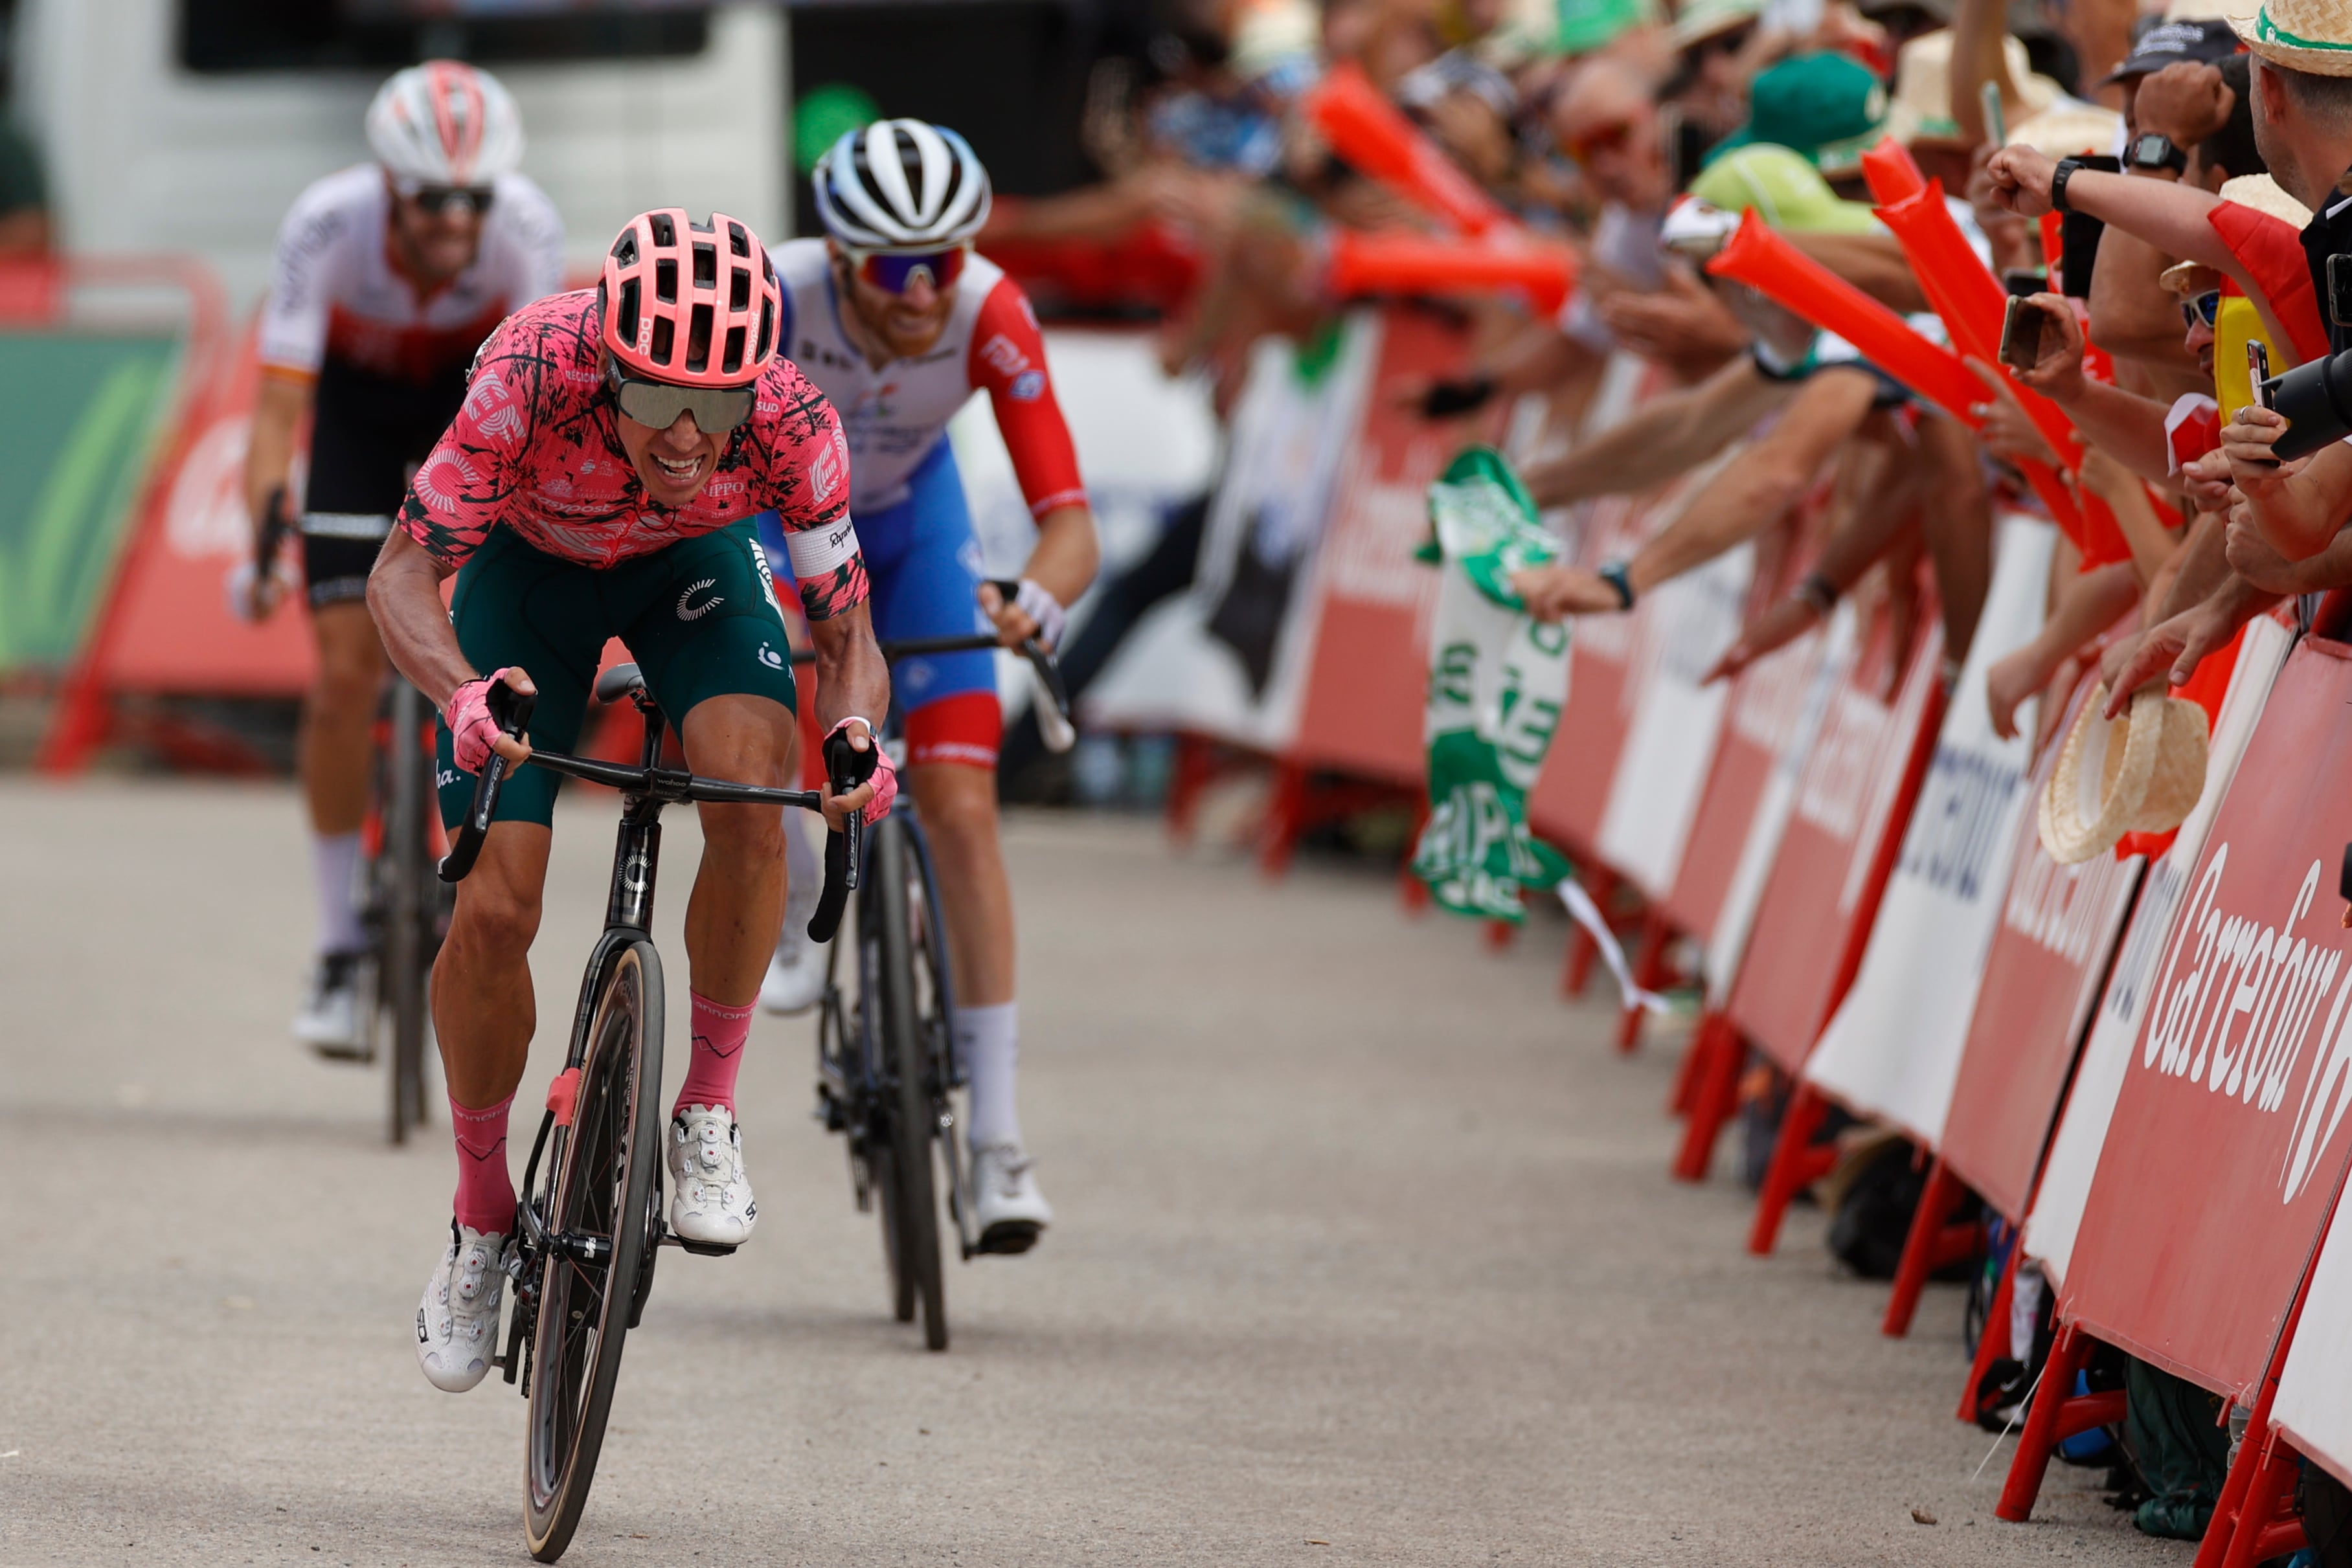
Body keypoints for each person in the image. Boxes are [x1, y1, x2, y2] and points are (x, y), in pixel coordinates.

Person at [366, 208, 895, 1393]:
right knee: (496, 912)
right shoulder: (529, 369)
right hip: (526, 578)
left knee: (756, 793)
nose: (689, 436)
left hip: (694, 577)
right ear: (607, 363)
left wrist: (859, 732)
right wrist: (458, 693)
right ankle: (482, 1215)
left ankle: (706, 1107)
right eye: (660, 400)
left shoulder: (793, 420)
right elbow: (402, 575)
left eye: (716, 407)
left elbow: (847, 633)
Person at [756, 120, 1100, 1255]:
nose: (923, 292)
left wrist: (1036, 600)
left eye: (944, 261)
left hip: (910, 526)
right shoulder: (776, 299)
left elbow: (1070, 530)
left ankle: (999, 1142)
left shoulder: (987, 308)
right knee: (757, 700)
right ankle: (798, 894)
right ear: (842, 257)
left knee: (959, 812)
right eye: (897, 268)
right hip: (767, 516)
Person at [235, 62, 563, 1055]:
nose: (457, 221)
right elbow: (281, 402)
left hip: (477, 415)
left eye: (475, 199)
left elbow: (540, 409)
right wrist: (264, 538)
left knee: (480, 632)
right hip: (359, 422)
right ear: (388, 186)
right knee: (342, 675)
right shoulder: (327, 224)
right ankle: (339, 944)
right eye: (432, 200)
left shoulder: (527, 229)